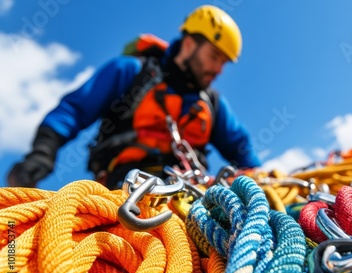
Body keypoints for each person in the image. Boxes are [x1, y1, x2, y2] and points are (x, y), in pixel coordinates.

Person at [7, 5, 261, 189]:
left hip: (191, 191)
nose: (218, 70)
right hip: (123, 185)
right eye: (214, 57)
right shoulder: (131, 71)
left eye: (224, 63)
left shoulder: (211, 103)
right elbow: (73, 111)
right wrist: (41, 154)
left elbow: (241, 148)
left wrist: (258, 175)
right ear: (189, 44)